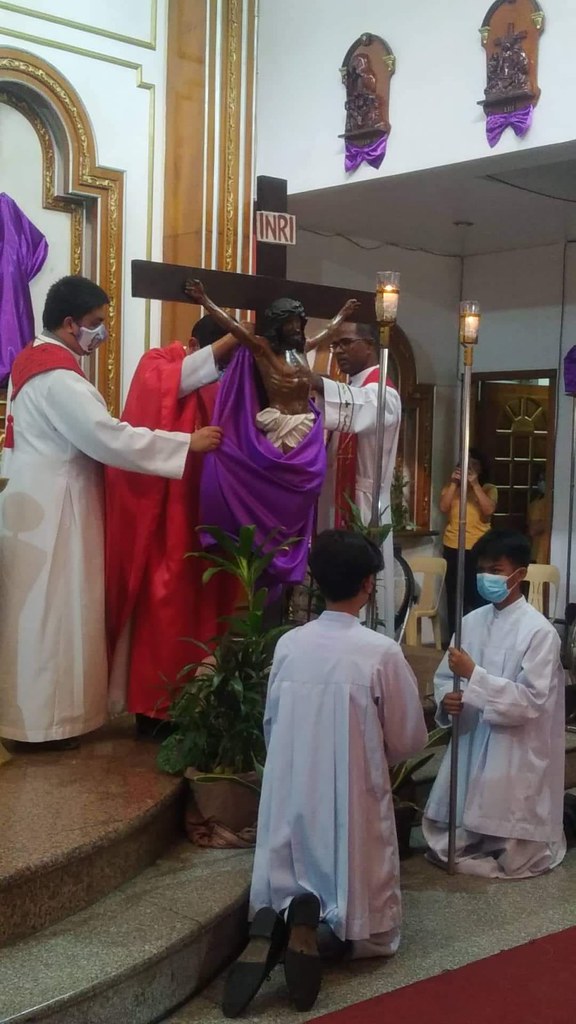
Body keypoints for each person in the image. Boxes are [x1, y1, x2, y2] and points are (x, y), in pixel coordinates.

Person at [0, 275, 221, 749]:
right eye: (96, 324)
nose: (101, 334)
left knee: (38, 614)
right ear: (68, 323)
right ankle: (48, 724)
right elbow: (109, 436)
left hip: (34, 500)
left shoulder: (30, 365)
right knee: (55, 615)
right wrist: (187, 443)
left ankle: (41, 720)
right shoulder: (57, 377)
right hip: (59, 507)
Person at [222, 530, 427, 1018]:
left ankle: (280, 917)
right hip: (352, 788)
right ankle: (338, 932)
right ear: (367, 586)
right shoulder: (380, 652)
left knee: (290, 858)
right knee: (353, 872)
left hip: (291, 780)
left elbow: (271, 721)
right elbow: (408, 739)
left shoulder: (291, 644)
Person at [105, 315, 238, 737]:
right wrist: (233, 340)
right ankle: (156, 710)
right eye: (218, 359)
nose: (221, 371)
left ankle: (202, 708)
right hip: (164, 517)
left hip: (209, 513)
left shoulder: (230, 377)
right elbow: (165, 387)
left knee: (209, 610)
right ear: (194, 343)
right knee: (165, 610)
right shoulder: (159, 361)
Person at [183, 282, 359, 589]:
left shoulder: (302, 351)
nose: (295, 328)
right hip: (280, 429)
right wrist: (205, 299)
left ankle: (285, 549)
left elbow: (327, 332)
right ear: (278, 325)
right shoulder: (263, 350)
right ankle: (268, 549)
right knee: (275, 493)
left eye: (298, 323)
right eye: (289, 323)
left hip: (306, 432)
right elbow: (234, 329)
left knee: (306, 488)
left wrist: (343, 313)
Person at [423, 529, 566, 878]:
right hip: (473, 735)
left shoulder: (539, 632)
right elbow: (444, 677)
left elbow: (531, 700)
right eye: (483, 569)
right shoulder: (470, 622)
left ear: (521, 573)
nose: (487, 577)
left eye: (497, 570)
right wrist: (450, 698)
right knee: (453, 832)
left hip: (514, 744)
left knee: (512, 844)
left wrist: (474, 677)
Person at [311, 322, 402, 638]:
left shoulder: (384, 392)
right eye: (334, 345)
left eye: (345, 343)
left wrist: (319, 385)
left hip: (365, 506)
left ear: (369, 344)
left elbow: (364, 407)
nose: (337, 351)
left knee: (366, 601)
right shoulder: (349, 390)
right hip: (333, 502)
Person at [439, 447, 497, 638]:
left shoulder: (489, 488)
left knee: (477, 593)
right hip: (453, 545)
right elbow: (443, 507)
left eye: (473, 466)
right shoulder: (451, 488)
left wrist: (475, 485)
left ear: (481, 469)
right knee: (454, 594)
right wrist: (455, 483)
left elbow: (488, 510)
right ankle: (455, 637)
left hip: (477, 547)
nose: (468, 469)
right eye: (465, 465)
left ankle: (480, 637)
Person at [527, 468, 550, 564]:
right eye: (540, 480)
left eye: (544, 479)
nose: (541, 483)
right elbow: (533, 530)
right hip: (539, 553)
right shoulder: (538, 503)